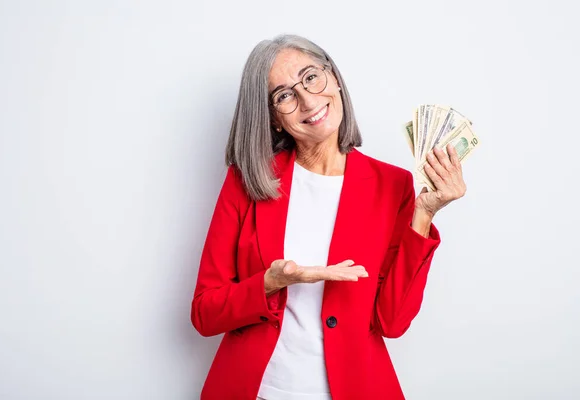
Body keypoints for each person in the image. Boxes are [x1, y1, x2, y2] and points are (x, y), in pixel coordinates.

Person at [190, 34, 466, 400]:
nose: (307, 100)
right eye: (284, 95)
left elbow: (392, 322)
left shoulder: (392, 185)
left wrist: (424, 215)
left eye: (310, 77)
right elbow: (205, 313)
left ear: (334, 78)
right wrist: (269, 283)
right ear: (272, 119)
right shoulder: (247, 180)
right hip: (258, 390)